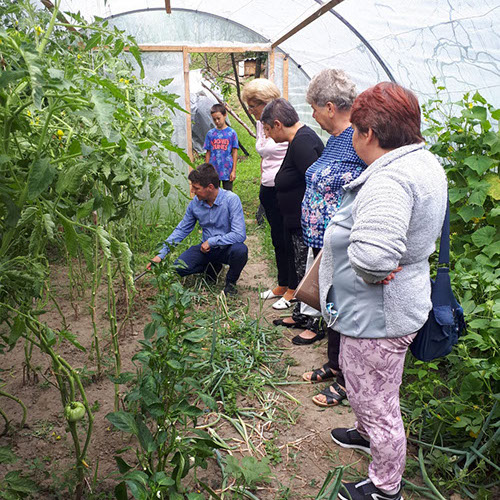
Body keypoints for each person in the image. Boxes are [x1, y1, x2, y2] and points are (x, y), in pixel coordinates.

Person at [318, 82, 448, 500]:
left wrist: (372, 270)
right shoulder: (422, 161)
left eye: (355, 130)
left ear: (369, 133)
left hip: (378, 315)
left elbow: (374, 257)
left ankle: (384, 486)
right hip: (396, 305)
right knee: (370, 385)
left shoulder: (389, 180)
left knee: (378, 401)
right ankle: (364, 433)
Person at [288, 69, 366, 409]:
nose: (313, 115)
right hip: (325, 243)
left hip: (347, 245)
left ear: (331, 107)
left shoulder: (359, 140)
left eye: (315, 108)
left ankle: (348, 379)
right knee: (331, 304)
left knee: (345, 308)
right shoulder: (335, 140)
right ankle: (335, 363)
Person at [260, 98, 324, 324]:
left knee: (306, 271)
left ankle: (310, 320)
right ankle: (300, 315)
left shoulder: (302, 143)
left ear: (278, 124)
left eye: (268, 129)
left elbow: (317, 184)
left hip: (304, 224)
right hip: (295, 222)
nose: (267, 135)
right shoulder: (296, 140)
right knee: (298, 269)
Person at [148, 163, 248, 296]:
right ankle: (212, 268)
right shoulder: (195, 204)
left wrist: (212, 241)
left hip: (227, 248)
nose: (192, 191)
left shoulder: (231, 200)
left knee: (240, 251)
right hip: (206, 250)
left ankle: (230, 284)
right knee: (179, 268)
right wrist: (161, 254)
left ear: (210, 187)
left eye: (196, 188)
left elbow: (239, 234)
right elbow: (182, 229)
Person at [241, 79, 290, 303]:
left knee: (288, 239)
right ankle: (282, 284)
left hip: (284, 190)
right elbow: (265, 154)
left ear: (267, 102)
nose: (251, 111)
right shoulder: (261, 124)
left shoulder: (283, 123)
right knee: (276, 238)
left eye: (253, 106)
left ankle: (293, 288)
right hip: (268, 188)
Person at [204, 104, 239, 191]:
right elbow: (208, 152)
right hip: (214, 170)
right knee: (214, 192)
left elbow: (234, 152)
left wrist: (233, 170)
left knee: (228, 192)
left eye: (218, 118)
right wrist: (206, 169)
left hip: (227, 169)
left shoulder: (231, 133)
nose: (217, 121)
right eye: (214, 119)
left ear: (224, 115)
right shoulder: (210, 134)